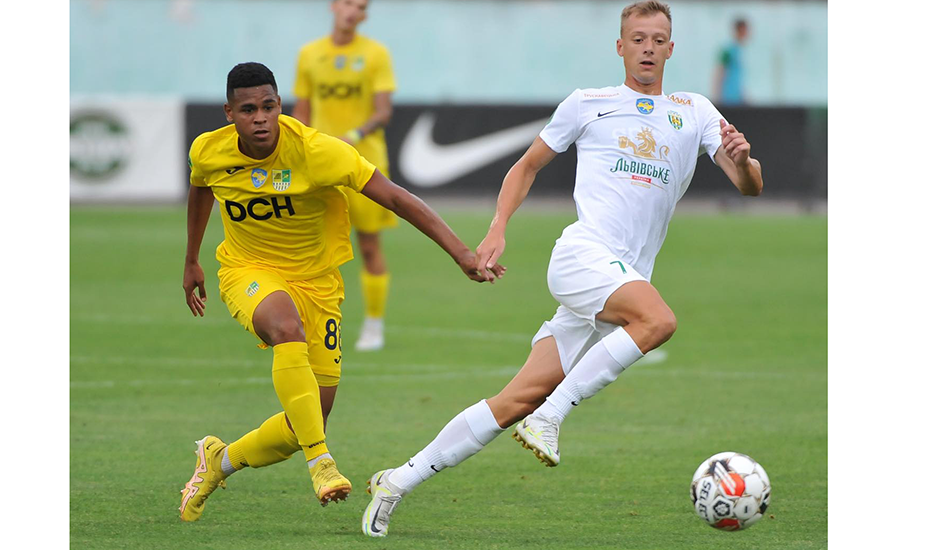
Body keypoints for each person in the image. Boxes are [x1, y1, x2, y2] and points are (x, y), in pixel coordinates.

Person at [361, 0, 763, 537]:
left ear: (671, 48)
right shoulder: (587, 103)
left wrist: (742, 159)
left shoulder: (695, 111)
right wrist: (498, 227)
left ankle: (397, 481)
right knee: (657, 321)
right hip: (583, 258)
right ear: (620, 47)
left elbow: (748, 185)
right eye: (637, 39)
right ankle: (551, 416)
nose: (647, 48)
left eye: (657, 39)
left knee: (515, 399)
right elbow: (526, 166)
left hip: (619, 280)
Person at [178, 62, 503, 522]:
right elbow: (201, 190)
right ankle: (321, 463)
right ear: (230, 113)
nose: (260, 118)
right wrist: (192, 258)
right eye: (248, 110)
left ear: (279, 105)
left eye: (268, 107)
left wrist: (462, 254)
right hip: (248, 269)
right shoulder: (208, 150)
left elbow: (396, 197)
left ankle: (220, 461)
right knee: (284, 327)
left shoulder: (318, 152)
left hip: (318, 284)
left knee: (306, 420)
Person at [292, 0, 397, 351]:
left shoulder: (376, 53)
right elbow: (302, 111)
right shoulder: (309, 54)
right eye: (349, 3)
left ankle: (374, 325)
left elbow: (383, 112)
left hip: (365, 161)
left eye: (361, 7)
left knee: (368, 244)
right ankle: (308, 322)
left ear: (365, 16)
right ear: (334, 6)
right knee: (311, 247)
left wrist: (351, 137)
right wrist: (301, 148)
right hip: (321, 164)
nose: (353, 11)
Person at [713, 18, 749, 106]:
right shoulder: (728, 50)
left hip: (738, 97)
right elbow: (720, 71)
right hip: (728, 97)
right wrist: (717, 96)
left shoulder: (741, 49)